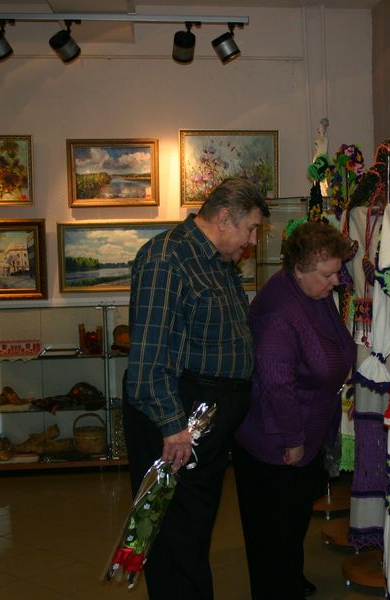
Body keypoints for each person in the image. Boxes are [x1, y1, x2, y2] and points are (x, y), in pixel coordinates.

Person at [123, 177, 269, 600]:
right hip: (176, 419)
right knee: (174, 536)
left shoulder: (215, 259)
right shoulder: (167, 259)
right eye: (252, 228)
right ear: (225, 219)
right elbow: (149, 361)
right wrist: (173, 427)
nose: (253, 240)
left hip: (201, 419)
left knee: (192, 529)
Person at [233, 220, 356, 600]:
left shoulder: (312, 293)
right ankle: (277, 588)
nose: (336, 281)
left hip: (306, 426)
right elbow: (276, 384)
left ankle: (288, 576)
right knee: (273, 528)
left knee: (293, 519)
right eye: (329, 274)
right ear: (299, 268)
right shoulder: (278, 312)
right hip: (275, 440)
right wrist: (294, 439)